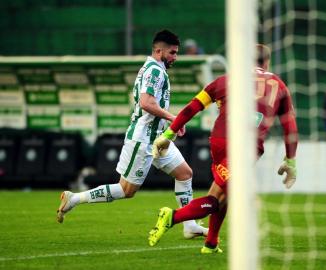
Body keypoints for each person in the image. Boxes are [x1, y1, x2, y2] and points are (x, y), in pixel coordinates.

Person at [56, 29, 208, 239]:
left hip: (158, 139)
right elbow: (146, 103)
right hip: (143, 139)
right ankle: (74, 199)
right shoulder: (155, 71)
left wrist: (170, 125)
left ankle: (189, 225)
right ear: (158, 50)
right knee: (126, 190)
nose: (175, 57)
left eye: (176, 52)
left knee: (185, 174)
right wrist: (174, 119)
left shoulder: (156, 69)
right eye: (172, 52)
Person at [148, 44, 298, 253]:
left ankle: (211, 243)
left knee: (221, 193)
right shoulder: (279, 85)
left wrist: (168, 135)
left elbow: (193, 107)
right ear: (267, 62)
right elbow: (290, 127)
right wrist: (290, 160)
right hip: (246, 147)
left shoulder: (226, 80)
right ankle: (172, 216)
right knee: (224, 196)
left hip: (219, 141)